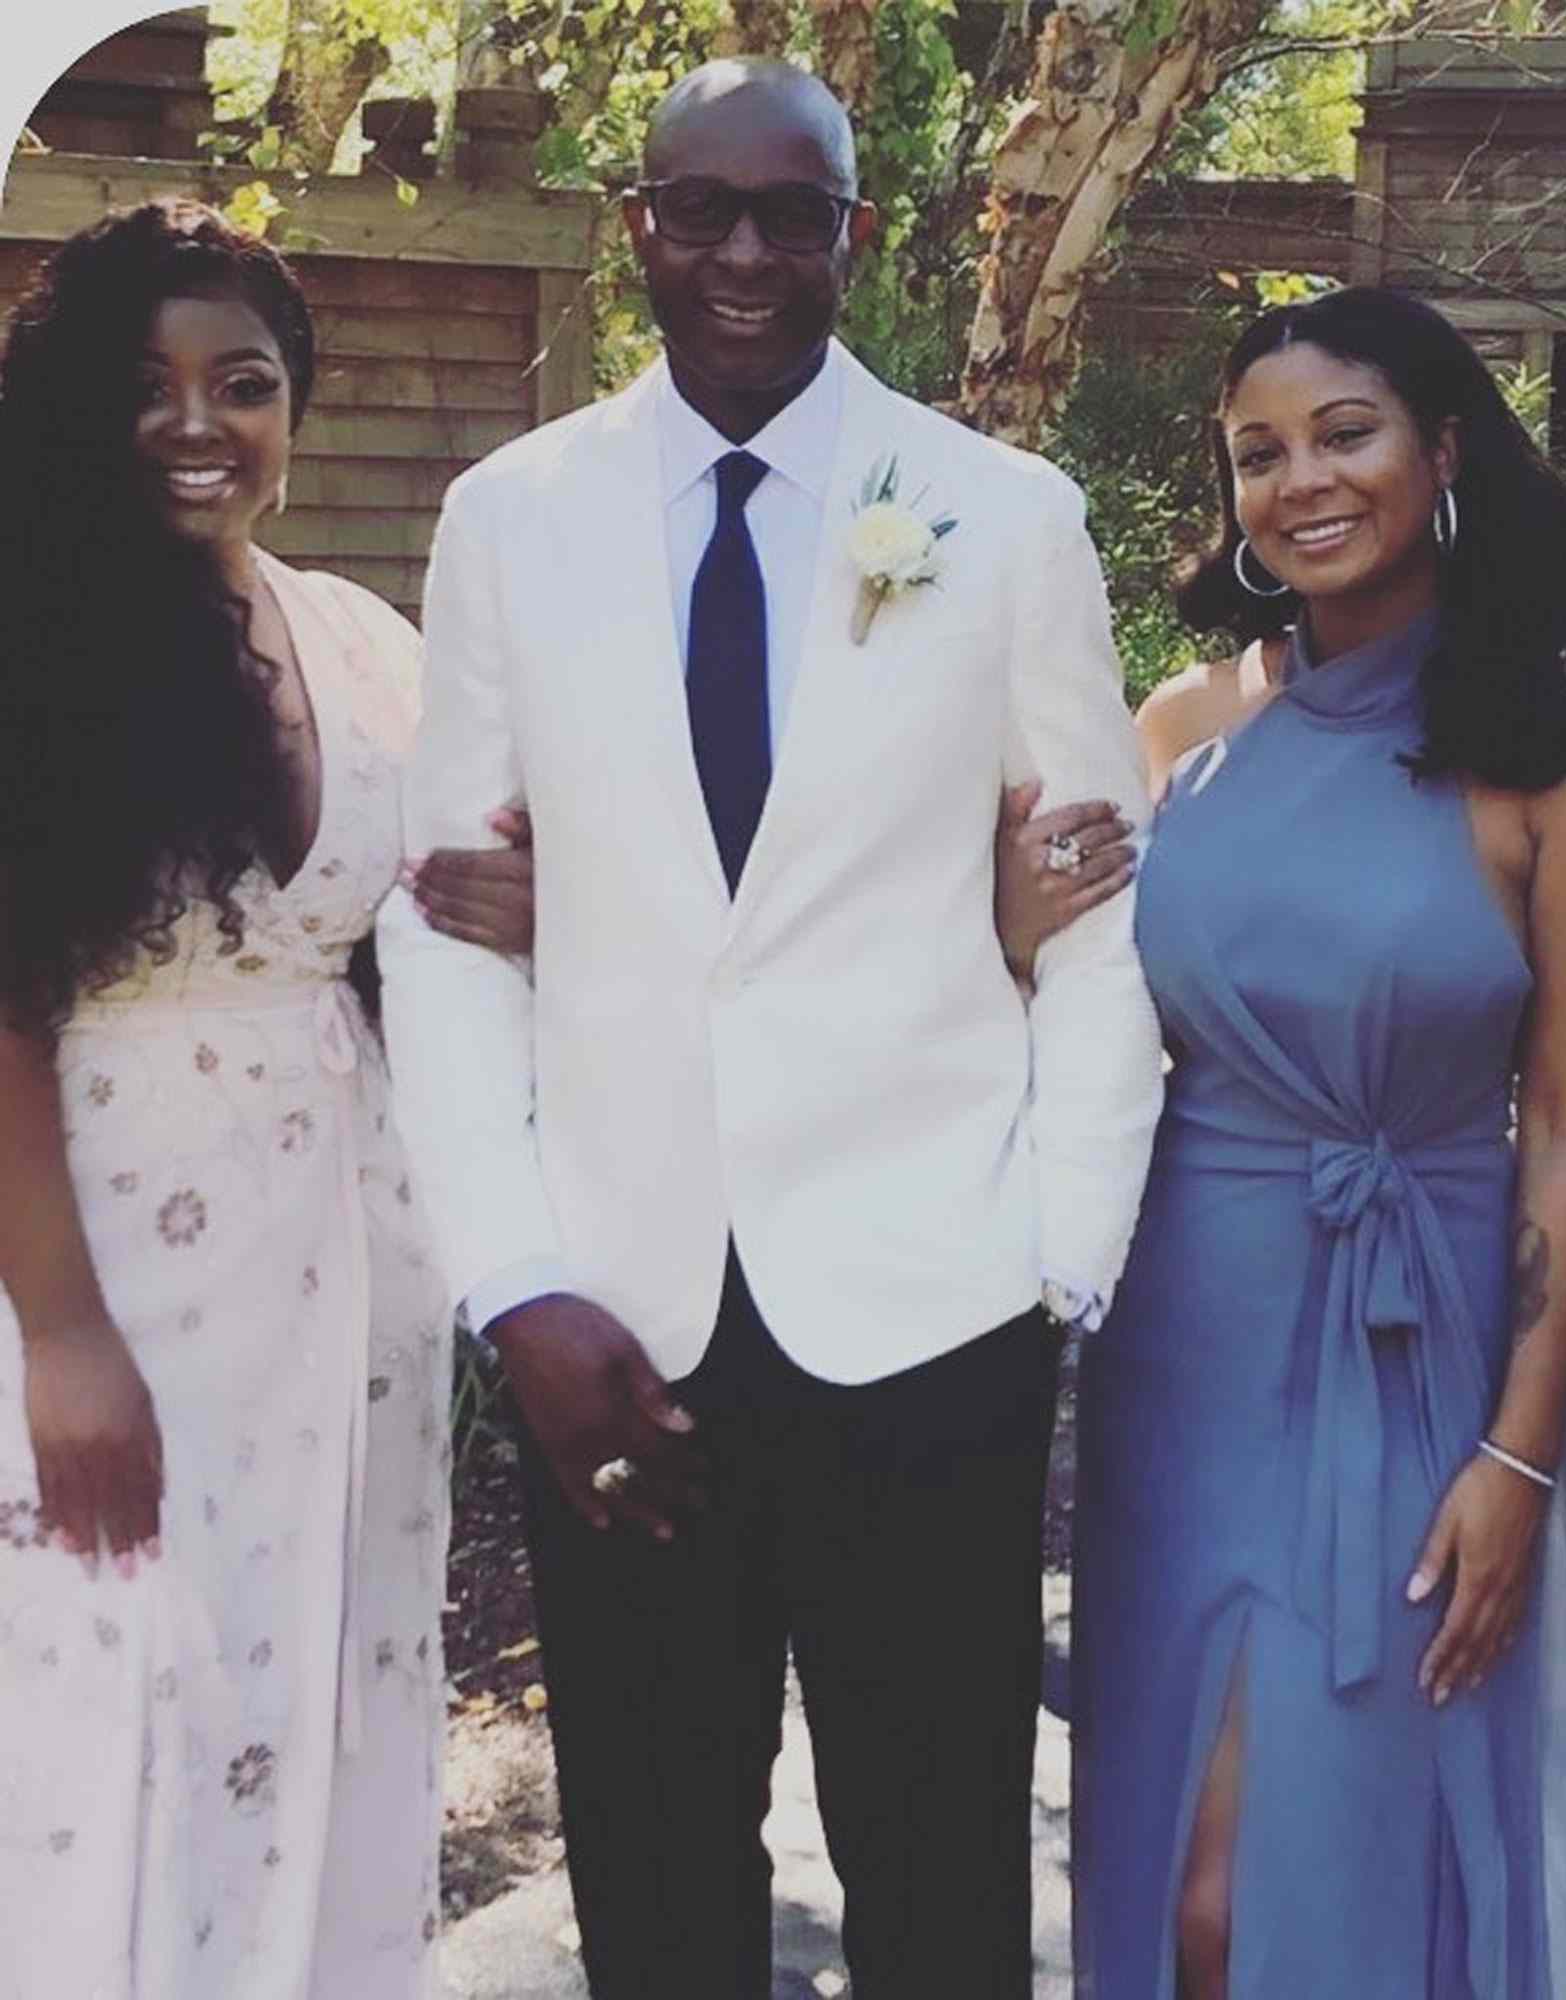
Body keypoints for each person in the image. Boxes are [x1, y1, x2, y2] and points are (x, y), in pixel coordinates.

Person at [375, 58, 1162, 2000]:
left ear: (853, 235)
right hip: (616, 1333)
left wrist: (1052, 1266)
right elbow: (453, 936)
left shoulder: (1002, 517)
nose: (741, 250)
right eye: (698, 208)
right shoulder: (508, 520)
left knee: (941, 1869)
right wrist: (517, 1284)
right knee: (649, 1876)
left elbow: (1094, 918)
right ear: (633, 222)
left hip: (933, 1316)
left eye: (788, 213)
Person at [1005, 288, 1566, 1997]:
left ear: (1443, 450)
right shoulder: (1178, 735)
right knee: (1172, 1887)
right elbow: (1077, 1029)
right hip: (1181, 1351)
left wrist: (1522, 1463)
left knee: (1303, 1872)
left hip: (1416, 1350)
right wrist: (1014, 928)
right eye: (1256, 452)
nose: (1300, 481)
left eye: (1344, 432)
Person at [0, 199, 527, 1999]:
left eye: (246, 382)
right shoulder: (31, 639)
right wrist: (59, 1336)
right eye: (146, 387)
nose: (200, 423)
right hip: (103, 1266)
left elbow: (407, 917)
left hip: (346, 1278)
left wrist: (498, 902)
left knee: (323, 1686)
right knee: (108, 1698)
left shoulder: (360, 641)